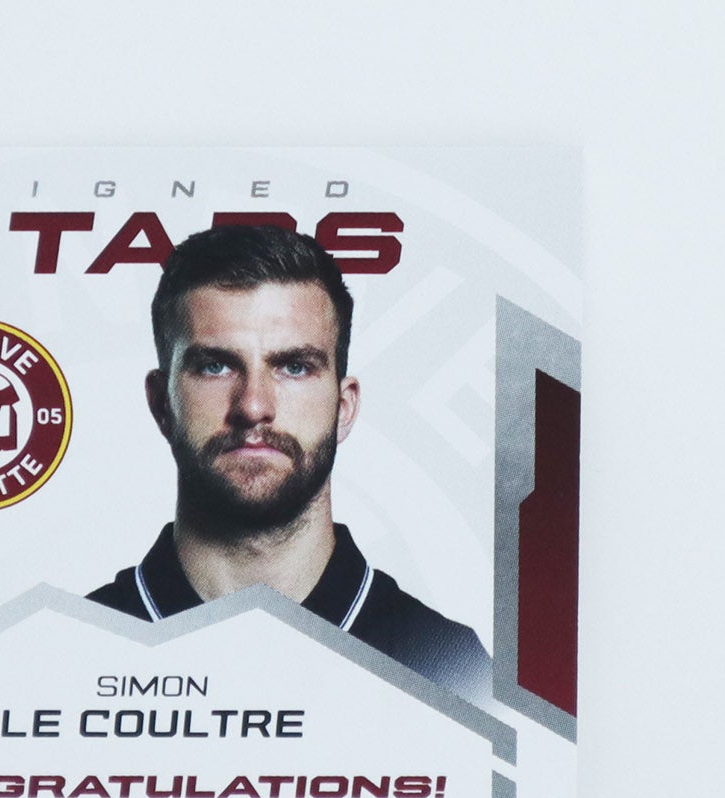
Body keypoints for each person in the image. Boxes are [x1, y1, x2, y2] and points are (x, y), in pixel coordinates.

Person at [88, 224, 491, 703]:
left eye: (294, 367)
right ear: (162, 404)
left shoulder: (447, 670)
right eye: (216, 366)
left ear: (344, 408)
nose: (254, 406)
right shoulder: (64, 654)